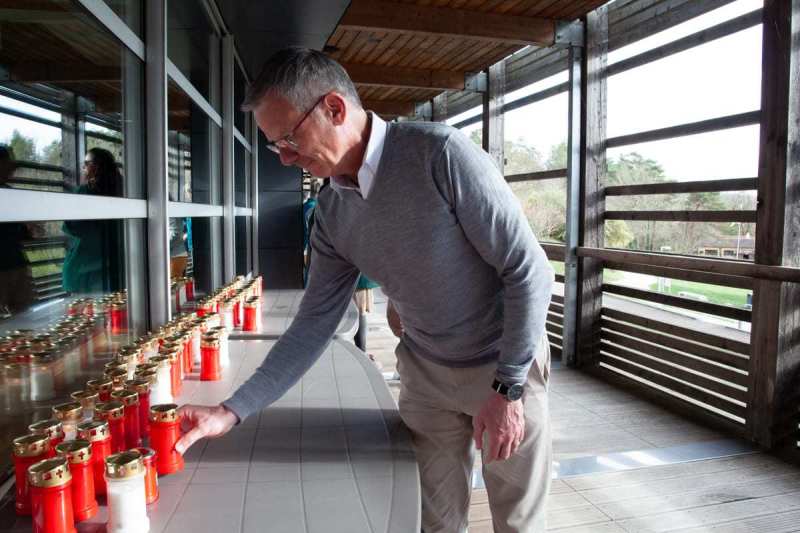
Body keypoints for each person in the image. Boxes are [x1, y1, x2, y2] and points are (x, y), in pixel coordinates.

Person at [176, 47, 554, 533]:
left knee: (518, 521)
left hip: (502, 367)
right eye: (276, 147)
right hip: (425, 374)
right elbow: (314, 324)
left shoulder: (440, 155)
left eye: (289, 138)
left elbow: (529, 270)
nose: (287, 159)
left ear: (334, 108)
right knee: (435, 523)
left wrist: (508, 388)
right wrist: (231, 411)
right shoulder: (332, 212)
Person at [62, 148, 124, 294]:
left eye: (86, 164)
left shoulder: (84, 192)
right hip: (117, 267)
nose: (83, 168)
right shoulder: (124, 192)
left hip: (86, 270)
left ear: (95, 166)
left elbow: (71, 227)